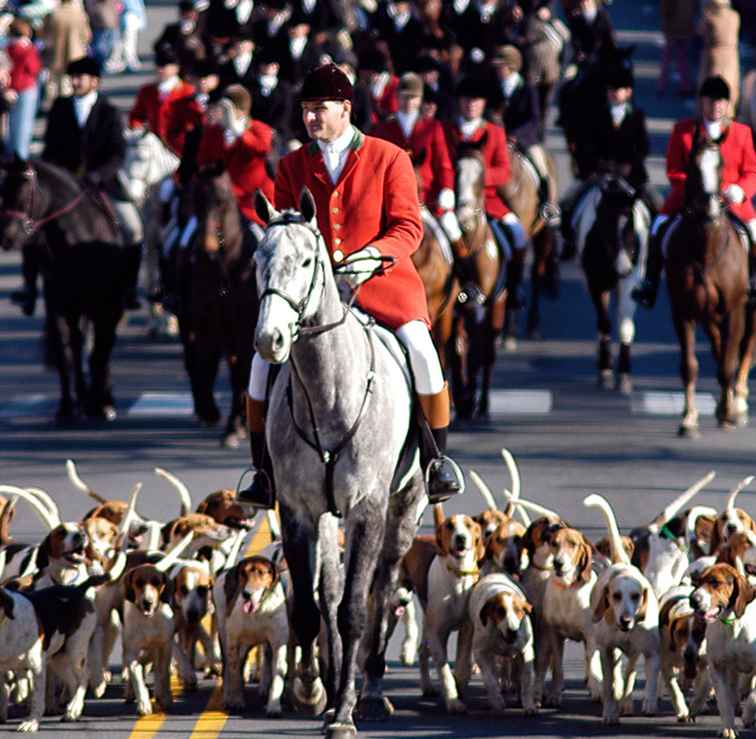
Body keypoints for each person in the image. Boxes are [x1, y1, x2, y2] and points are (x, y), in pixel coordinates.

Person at [239, 63, 464, 509]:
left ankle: (437, 460)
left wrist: (371, 256)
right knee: (260, 365)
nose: (310, 119)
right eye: (305, 111)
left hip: (383, 285)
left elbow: (407, 227)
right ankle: (262, 473)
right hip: (313, 296)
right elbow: (286, 229)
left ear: (345, 109)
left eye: (319, 109)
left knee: (421, 351)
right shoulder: (291, 165)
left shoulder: (390, 157)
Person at [632, 75, 756, 309]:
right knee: (658, 227)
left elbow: (752, 171)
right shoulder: (683, 131)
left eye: (721, 102)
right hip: (690, 201)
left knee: (755, 231)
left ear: (728, 104)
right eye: (711, 101)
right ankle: (650, 283)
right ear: (702, 103)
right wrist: (694, 191)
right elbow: (674, 170)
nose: (717, 107)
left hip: (733, 203)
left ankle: (752, 284)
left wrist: (741, 190)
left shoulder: (742, 133)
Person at [41, 56, 144, 310]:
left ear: (94, 82)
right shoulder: (60, 108)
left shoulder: (109, 112)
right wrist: (60, 176)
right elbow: (49, 150)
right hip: (64, 186)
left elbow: (118, 154)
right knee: (31, 227)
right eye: (72, 77)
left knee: (132, 228)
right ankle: (30, 287)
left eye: (80, 78)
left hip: (102, 184)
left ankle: (128, 288)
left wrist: (97, 176)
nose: (75, 82)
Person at [444, 75, 528, 305]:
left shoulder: (494, 132)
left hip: (487, 202)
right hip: (452, 200)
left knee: (518, 234)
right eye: (466, 100)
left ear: (483, 104)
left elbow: (503, 172)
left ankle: (514, 286)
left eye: (476, 100)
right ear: (459, 103)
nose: (471, 104)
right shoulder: (447, 130)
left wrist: (479, 179)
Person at [371, 72, 462, 250]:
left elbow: (443, 164)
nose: (408, 102)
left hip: (427, 198)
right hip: (392, 198)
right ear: (397, 97)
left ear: (420, 100)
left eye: (413, 98)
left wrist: (447, 189)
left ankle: (462, 271)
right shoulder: (383, 129)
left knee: (452, 230)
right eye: (404, 97)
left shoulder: (433, 127)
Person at [489, 44, 560, 226]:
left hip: (524, 141)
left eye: (501, 66)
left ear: (512, 67)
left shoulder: (528, 89)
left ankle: (549, 204)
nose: (498, 70)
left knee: (541, 164)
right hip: (497, 141)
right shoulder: (493, 89)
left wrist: (515, 136)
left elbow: (534, 119)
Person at [197, 84, 275, 242]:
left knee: (263, 242)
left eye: (227, 109)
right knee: (186, 235)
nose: (222, 113)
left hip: (252, 202)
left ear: (241, 110)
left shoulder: (260, 129)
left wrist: (239, 132)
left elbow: (262, 149)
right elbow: (202, 160)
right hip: (219, 201)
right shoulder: (213, 132)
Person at [129, 45, 195, 144]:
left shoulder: (188, 91)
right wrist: (138, 129)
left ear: (176, 68)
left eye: (164, 65)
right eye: (158, 65)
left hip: (180, 146)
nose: (160, 69)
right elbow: (136, 116)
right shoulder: (147, 91)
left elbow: (193, 122)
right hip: (154, 146)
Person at [4, 19, 42, 160]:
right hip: (27, 88)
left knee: (11, 124)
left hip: (10, 90)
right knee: (24, 125)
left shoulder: (7, 49)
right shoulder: (28, 50)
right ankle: (21, 156)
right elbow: (34, 69)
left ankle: (10, 153)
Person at [41, 0, 92, 100]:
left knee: (55, 83)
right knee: (71, 82)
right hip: (76, 53)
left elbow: (45, 36)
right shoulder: (79, 14)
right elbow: (87, 35)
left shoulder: (54, 14)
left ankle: (53, 106)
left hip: (56, 54)